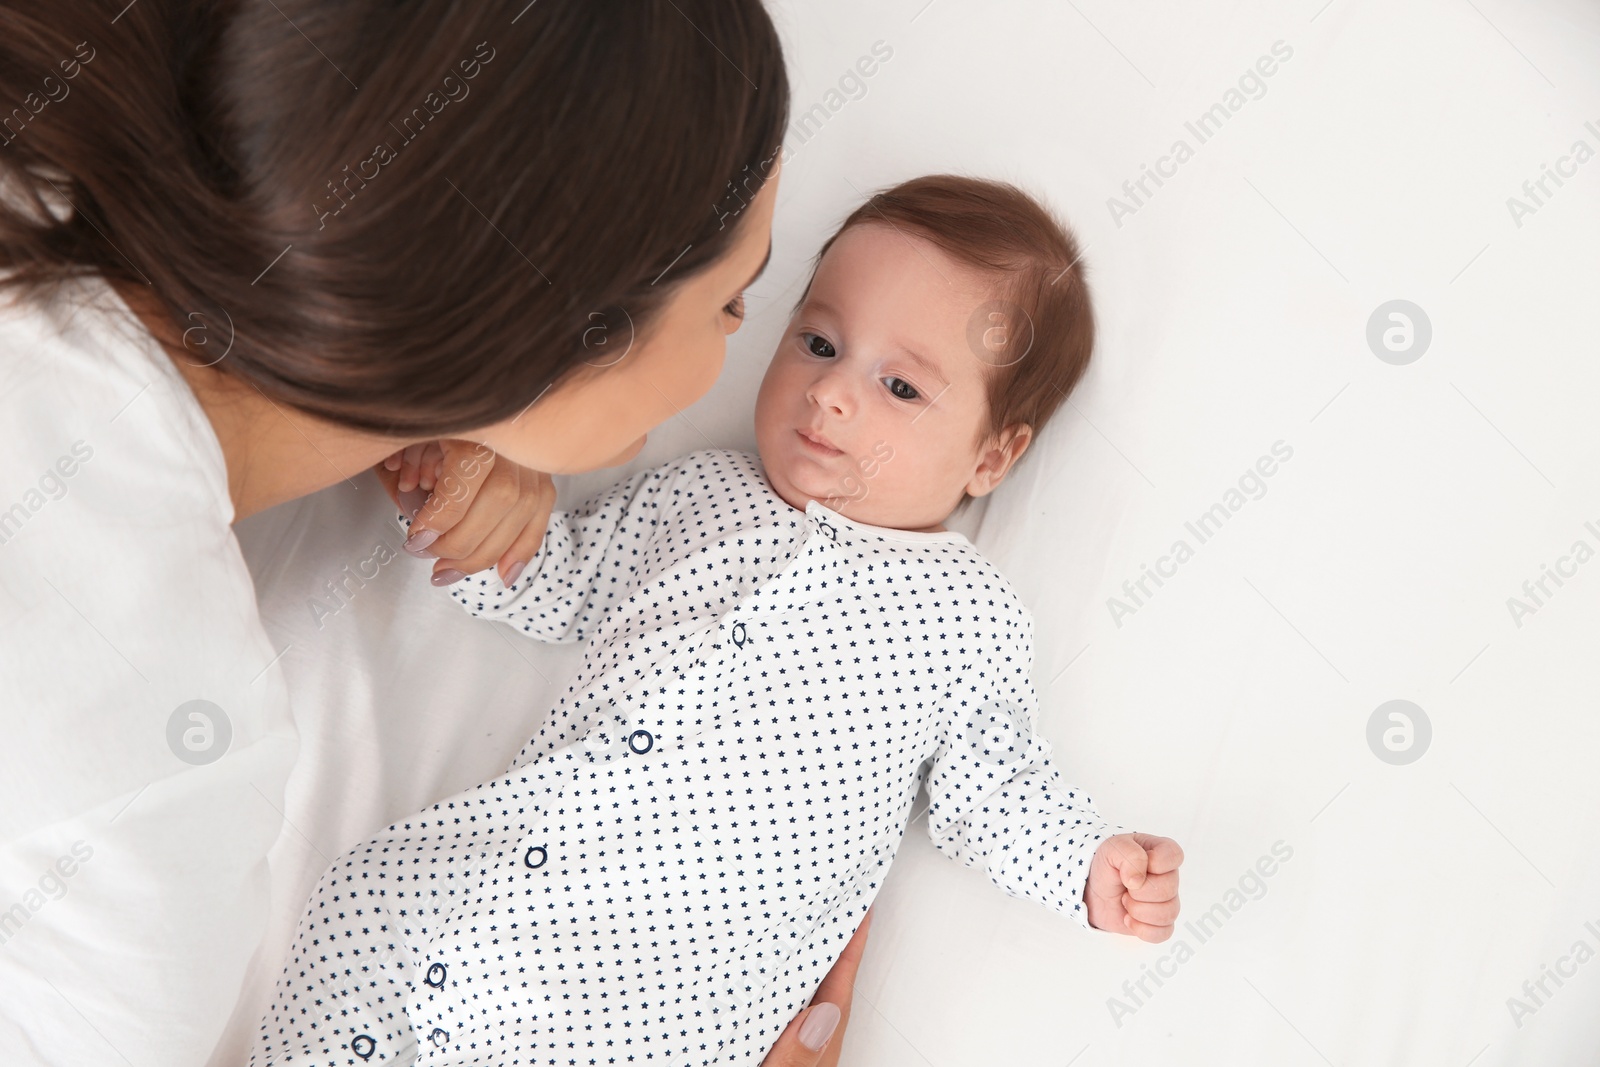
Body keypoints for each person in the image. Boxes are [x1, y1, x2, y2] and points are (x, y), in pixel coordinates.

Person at [0, 2, 860, 1064]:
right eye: (736, 301)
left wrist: (444, 398)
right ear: (554, 346)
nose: (743, 340)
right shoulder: (164, 758)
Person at [253, 175, 1185, 1066]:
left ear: (993, 454)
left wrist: (1085, 865)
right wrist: (471, 517)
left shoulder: (966, 617)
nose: (831, 392)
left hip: (648, 1009)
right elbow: (563, 580)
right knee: (349, 952)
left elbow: (993, 786)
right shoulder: (702, 493)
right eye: (819, 343)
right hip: (452, 892)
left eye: (901, 388)